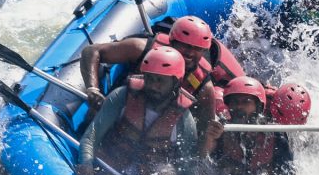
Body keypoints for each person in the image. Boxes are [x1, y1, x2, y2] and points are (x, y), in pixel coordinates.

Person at [76, 46, 198, 175]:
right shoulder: (122, 96)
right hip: (115, 158)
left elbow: (187, 165)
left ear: (176, 82)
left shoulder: (184, 120)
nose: (153, 86)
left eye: (160, 81)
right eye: (150, 79)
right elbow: (92, 136)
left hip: (152, 168)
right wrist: (86, 162)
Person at [80, 15, 246, 134]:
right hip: (124, 110)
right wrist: (92, 89)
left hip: (158, 131)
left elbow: (205, 128)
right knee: (94, 115)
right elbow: (92, 51)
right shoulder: (140, 48)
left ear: (204, 51)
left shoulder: (203, 85)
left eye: (197, 49)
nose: (189, 53)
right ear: (171, 42)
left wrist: (213, 133)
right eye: (185, 46)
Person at [199, 77, 308, 175]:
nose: (239, 106)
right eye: (235, 102)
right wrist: (210, 140)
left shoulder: (276, 136)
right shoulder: (220, 131)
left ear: (259, 106)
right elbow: (203, 171)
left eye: (246, 102)